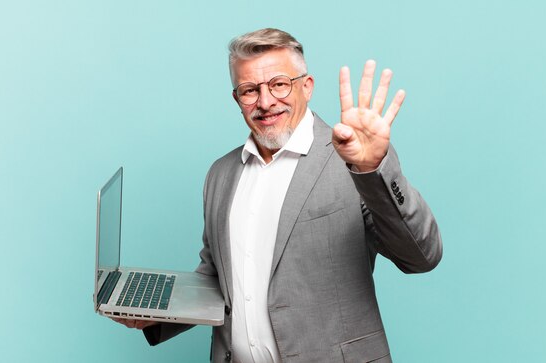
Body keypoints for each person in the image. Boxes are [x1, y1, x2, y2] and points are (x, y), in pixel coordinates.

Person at [114, 28, 442, 362]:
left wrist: (373, 169)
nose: (266, 101)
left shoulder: (354, 159)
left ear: (307, 86)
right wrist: (160, 312)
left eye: (279, 84)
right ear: (236, 98)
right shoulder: (220, 174)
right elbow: (218, 278)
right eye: (250, 90)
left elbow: (421, 256)